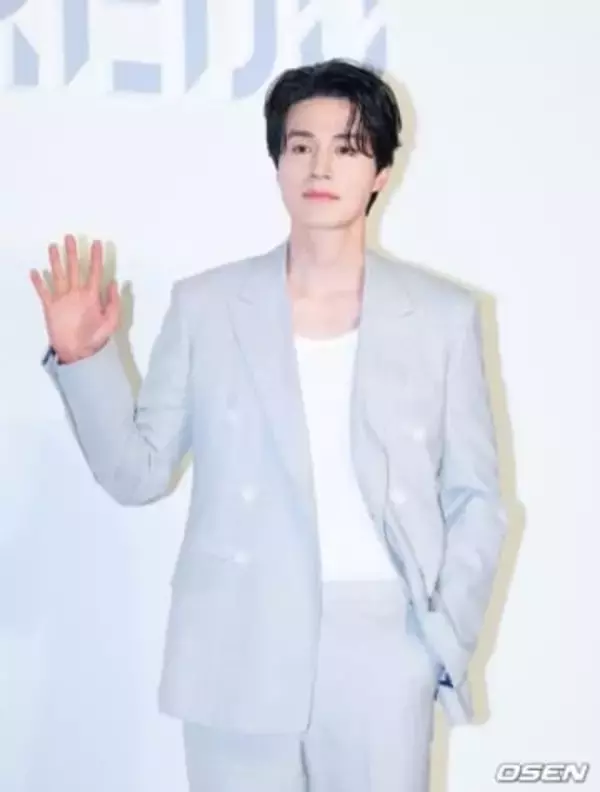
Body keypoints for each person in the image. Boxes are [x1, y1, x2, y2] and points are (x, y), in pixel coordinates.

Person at [31, 59, 507, 792]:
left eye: (347, 147)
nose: (321, 166)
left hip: (384, 646)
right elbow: (138, 473)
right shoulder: (207, 306)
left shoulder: (443, 316)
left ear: (380, 172)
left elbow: (476, 497)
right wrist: (83, 358)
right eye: (301, 145)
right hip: (236, 643)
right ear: (278, 162)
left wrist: (439, 637)